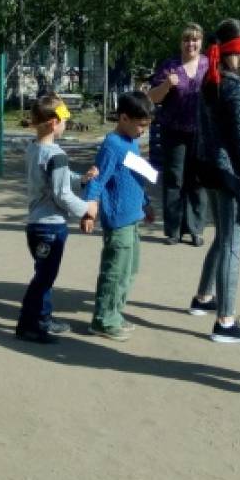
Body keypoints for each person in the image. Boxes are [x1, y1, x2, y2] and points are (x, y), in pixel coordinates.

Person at [188, 20, 240, 344]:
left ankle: (204, 297)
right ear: (237, 48)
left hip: (208, 168)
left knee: (222, 237)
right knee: (233, 243)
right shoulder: (234, 88)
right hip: (228, 175)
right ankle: (226, 321)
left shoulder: (211, 81)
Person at [16, 96, 96, 344]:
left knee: (44, 275)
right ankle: (28, 326)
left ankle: (43, 318)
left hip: (36, 225)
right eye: (64, 120)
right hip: (50, 226)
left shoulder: (34, 148)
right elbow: (62, 194)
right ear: (53, 123)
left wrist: (82, 180)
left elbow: (58, 179)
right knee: (43, 279)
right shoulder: (56, 155)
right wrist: (87, 208)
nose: (66, 125)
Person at [81, 91, 156, 342]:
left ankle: (115, 312)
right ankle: (103, 320)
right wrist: (89, 210)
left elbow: (135, 176)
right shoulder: (112, 145)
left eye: (146, 126)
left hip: (132, 217)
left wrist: (145, 203)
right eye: (141, 125)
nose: (143, 131)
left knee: (129, 270)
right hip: (118, 219)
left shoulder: (130, 142)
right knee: (114, 272)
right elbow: (98, 178)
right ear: (124, 118)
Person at [147, 23, 209, 247]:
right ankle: (173, 230)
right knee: (175, 179)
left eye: (195, 39)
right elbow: (152, 97)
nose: (190, 44)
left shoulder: (209, 65)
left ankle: (195, 229)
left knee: (197, 180)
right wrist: (166, 85)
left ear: (201, 42)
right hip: (173, 131)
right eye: (186, 39)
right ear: (181, 42)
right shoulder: (170, 66)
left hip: (202, 132)